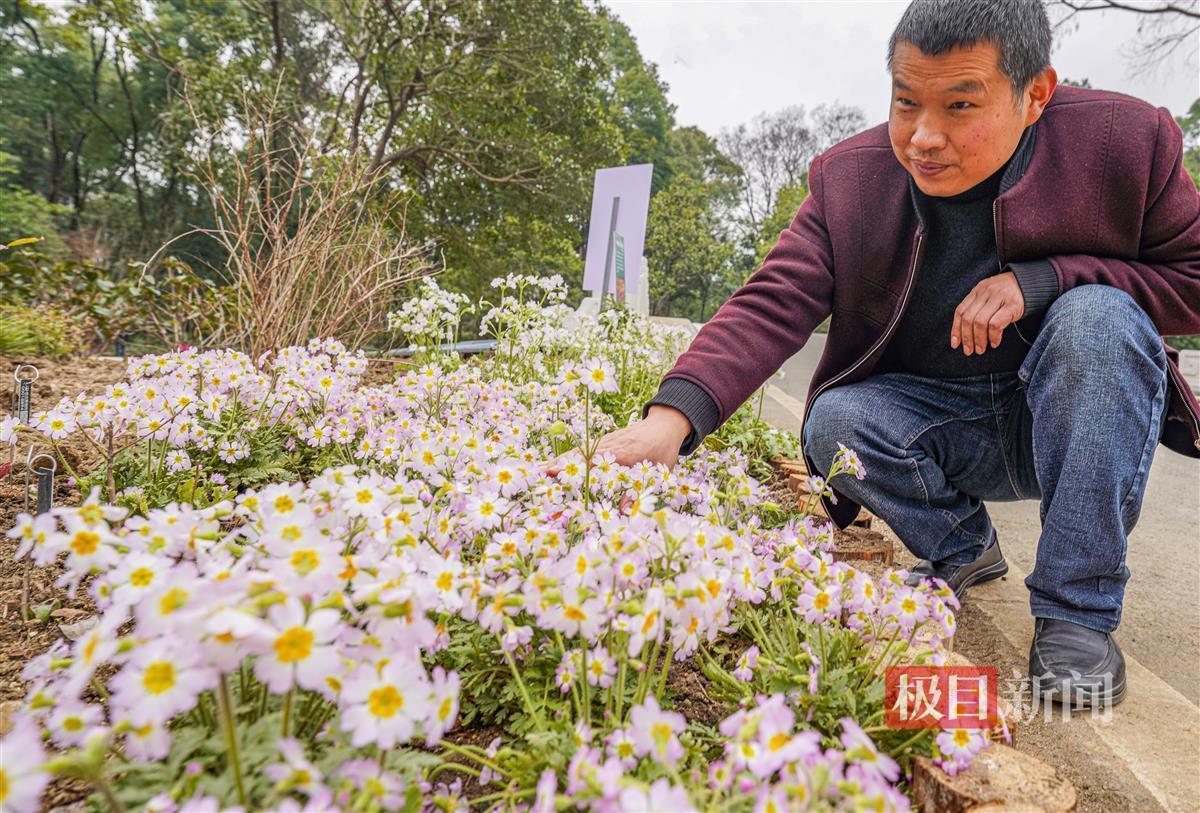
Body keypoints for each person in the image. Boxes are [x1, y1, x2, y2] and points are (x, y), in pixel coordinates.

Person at [581, 0, 1200, 707]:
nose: (924, 138)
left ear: (1036, 95)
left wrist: (1046, 281)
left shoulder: (1127, 141)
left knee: (1097, 317)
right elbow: (771, 299)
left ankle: (1075, 616)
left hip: (1077, 410)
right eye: (906, 103)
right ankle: (964, 548)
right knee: (834, 419)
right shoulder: (850, 180)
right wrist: (669, 419)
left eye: (960, 105)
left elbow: (1193, 281)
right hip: (948, 424)